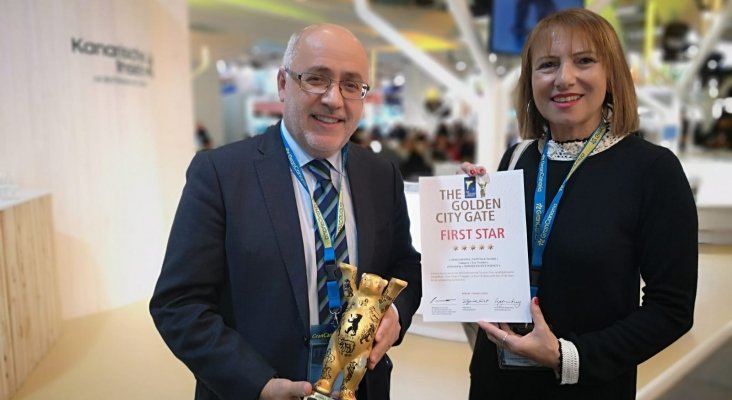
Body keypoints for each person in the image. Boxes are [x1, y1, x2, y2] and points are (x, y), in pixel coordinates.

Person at [150, 23, 422, 400]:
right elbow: (178, 304)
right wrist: (257, 384)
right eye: (316, 79)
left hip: (361, 388)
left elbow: (406, 265)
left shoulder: (381, 174)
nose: (333, 99)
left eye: (351, 85)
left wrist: (396, 314)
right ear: (282, 83)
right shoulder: (221, 174)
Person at [461, 8, 697, 399]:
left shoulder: (652, 169)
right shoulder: (516, 158)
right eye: (547, 65)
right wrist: (463, 215)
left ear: (611, 74)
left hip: (587, 385)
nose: (564, 78)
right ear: (530, 79)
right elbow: (491, 274)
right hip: (495, 382)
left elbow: (671, 309)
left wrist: (567, 356)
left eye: (584, 60)